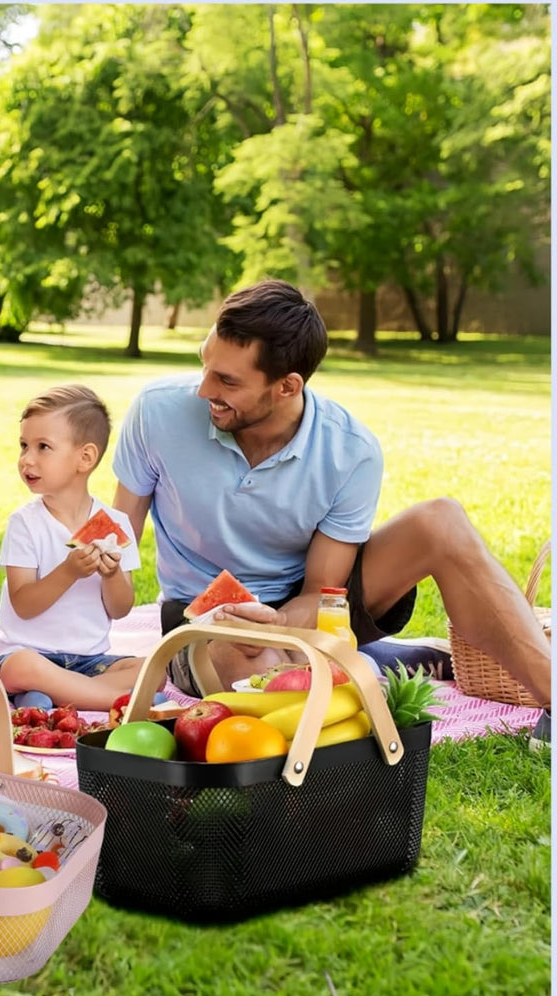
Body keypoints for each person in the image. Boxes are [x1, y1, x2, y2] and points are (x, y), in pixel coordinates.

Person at [112, 279, 552, 710]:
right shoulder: (156, 412)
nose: (204, 389)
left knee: (442, 520)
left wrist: (280, 623)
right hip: (201, 618)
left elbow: (322, 594)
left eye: (227, 381)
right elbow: (116, 545)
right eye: (205, 364)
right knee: (261, 677)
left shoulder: (349, 451)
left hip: (309, 606)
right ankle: (362, 659)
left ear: (288, 386)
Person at [0, 385, 145, 712]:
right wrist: (68, 571)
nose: (26, 459)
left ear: (85, 458)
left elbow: (120, 609)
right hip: (29, 655)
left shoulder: (113, 522)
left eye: (43, 447)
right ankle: (120, 703)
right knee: (22, 668)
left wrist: (113, 574)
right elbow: (23, 605)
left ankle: (52, 698)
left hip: (90, 661)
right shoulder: (25, 523)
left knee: (150, 670)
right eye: (23, 446)